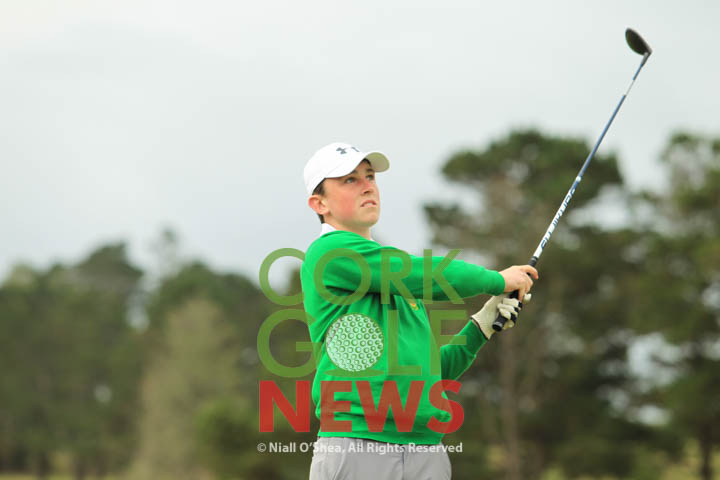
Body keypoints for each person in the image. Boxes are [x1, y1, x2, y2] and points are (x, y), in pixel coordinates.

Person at [300, 142, 538, 480]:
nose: (367, 186)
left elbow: (432, 375)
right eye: (350, 180)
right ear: (319, 203)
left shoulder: (396, 282)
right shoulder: (329, 252)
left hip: (426, 449)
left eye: (369, 176)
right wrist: (496, 280)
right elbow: (428, 274)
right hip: (357, 442)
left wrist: (481, 326)